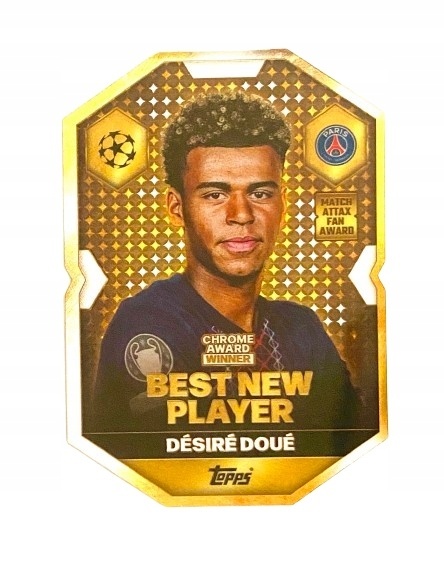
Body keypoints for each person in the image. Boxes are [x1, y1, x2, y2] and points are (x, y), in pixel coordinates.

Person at [93, 92, 360, 444]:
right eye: (214, 195)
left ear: (282, 205)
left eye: (260, 193)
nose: (241, 215)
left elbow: (350, 445)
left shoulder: (301, 328)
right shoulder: (147, 324)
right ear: (177, 207)